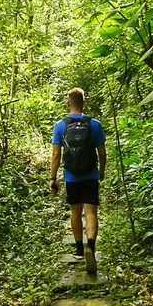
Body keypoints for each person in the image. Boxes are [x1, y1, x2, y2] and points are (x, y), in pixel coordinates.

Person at [50, 87, 106, 274]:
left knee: (75, 211)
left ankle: (79, 250)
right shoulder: (94, 124)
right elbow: (102, 151)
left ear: (68, 103)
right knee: (91, 212)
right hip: (90, 175)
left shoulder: (60, 125)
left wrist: (53, 178)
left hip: (71, 176)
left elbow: (56, 155)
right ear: (84, 102)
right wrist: (101, 171)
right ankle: (91, 245)